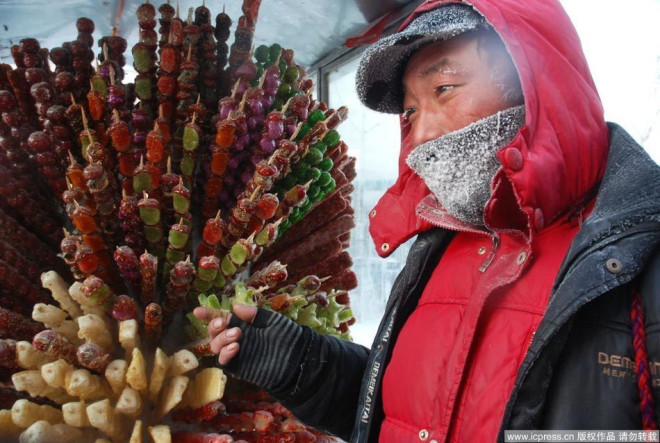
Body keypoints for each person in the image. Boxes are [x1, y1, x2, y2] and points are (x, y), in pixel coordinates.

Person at [194, 0, 660, 441]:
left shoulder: (639, 255)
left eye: (444, 89)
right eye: (411, 110)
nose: (422, 134)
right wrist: (298, 360)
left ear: (540, 80)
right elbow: (400, 413)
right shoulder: (437, 246)